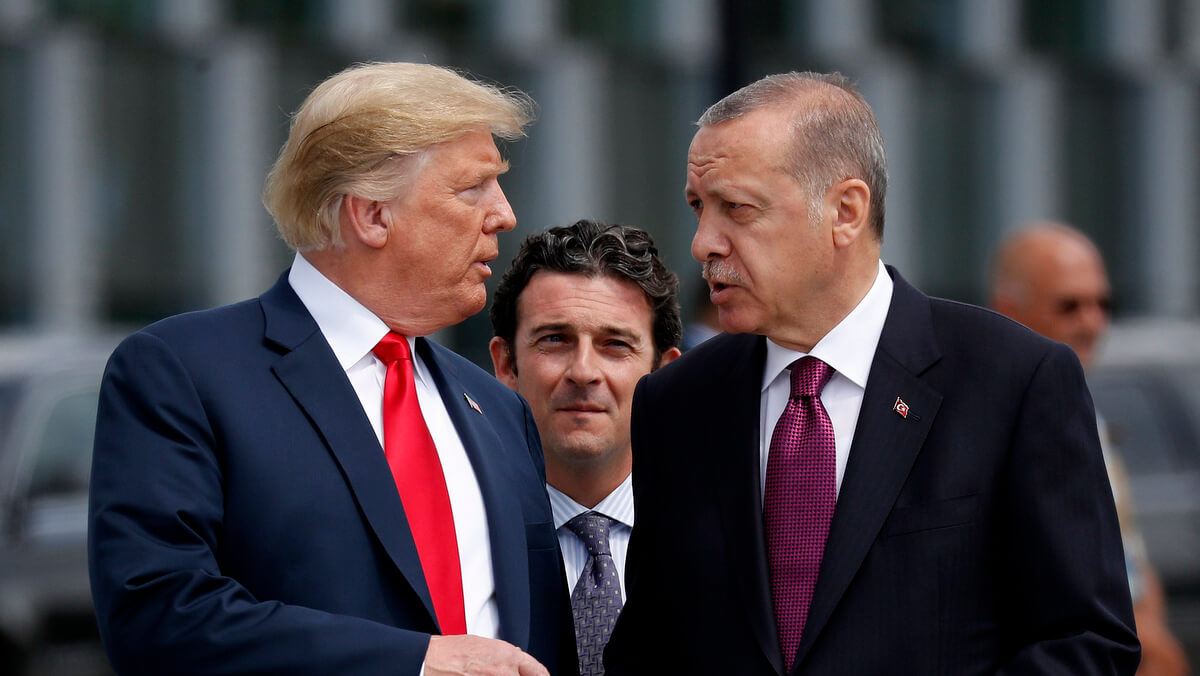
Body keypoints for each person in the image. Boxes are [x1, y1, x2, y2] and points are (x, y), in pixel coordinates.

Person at [603, 71, 1140, 675]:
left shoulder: (1013, 380)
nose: (704, 242)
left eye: (737, 209)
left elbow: (1087, 642)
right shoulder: (678, 403)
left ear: (845, 212)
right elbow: (650, 648)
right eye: (700, 208)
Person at [88, 62, 575, 676]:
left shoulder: (498, 410)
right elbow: (158, 615)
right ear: (372, 214)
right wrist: (416, 663)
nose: (504, 214)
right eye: (473, 188)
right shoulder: (182, 373)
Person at [991, 222, 1190, 676]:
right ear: (1009, 310)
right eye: (1069, 305)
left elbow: (1132, 567)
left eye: (1103, 303)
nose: (1092, 321)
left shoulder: (1086, 415)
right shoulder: (993, 424)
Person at [487, 220, 682, 676]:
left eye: (615, 345)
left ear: (666, 377)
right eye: (555, 339)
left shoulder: (727, 535)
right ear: (506, 365)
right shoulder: (460, 534)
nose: (583, 371)